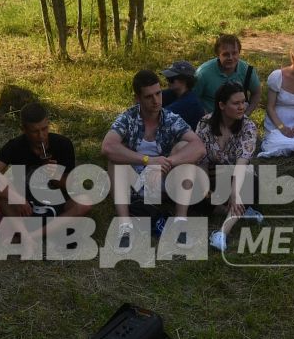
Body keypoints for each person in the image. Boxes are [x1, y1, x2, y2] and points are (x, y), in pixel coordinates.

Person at [101, 69, 205, 238]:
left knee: (184, 146)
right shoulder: (128, 118)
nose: (156, 100)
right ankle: (124, 223)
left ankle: (180, 220)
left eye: (158, 93)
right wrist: (147, 160)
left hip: (162, 179)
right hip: (133, 184)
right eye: (149, 96)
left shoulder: (170, 118)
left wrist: (168, 161)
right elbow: (107, 147)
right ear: (137, 99)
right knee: (114, 159)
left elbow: (199, 147)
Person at [0, 101, 92, 219]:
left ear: (48, 124)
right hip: (26, 205)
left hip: (58, 203)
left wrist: (56, 176)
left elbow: (71, 185)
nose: (41, 136)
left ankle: (33, 234)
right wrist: (16, 197)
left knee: (85, 202)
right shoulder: (15, 146)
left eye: (44, 129)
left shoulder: (62, 144)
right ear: (24, 129)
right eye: (35, 131)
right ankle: (28, 231)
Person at [199, 82, 262, 252]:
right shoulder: (204, 125)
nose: (242, 107)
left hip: (238, 178)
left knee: (249, 182)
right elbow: (202, 161)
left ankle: (221, 233)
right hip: (212, 178)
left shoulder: (248, 126)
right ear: (221, 105)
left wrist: (235, 193)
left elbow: (242, 164)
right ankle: (240, 211)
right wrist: (205, 189)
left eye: (244, 102)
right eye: (236, 103)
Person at [194, 33, 260, 107]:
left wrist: (247, 114)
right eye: (226, 54)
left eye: (234, 53)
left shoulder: (248, 71)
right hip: (210, 116)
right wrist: (206, 116)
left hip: (238, 116)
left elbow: (256, 93)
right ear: (218, 55)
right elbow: (193, 99)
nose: (230, 58)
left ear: (239, 53)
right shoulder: (203, 73)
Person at [159, 61, 206, 130]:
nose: (167, 81)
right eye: (167, 78)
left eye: (171, 79)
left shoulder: (190, 103)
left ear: (184, 80)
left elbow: (159, 117)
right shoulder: (173, 93)